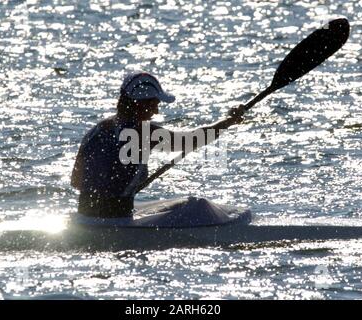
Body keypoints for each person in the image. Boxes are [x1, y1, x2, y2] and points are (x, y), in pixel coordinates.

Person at [71, 71, 244, 218]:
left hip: (85, 216)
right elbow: (192, 139)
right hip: (115, 220)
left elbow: (76, 182)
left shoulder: (96, 130)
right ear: (139, 104)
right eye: (154, 104)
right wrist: (228, 122)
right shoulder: (143, 132)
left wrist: (120, 189)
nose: (156, 111)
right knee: (198, 207)